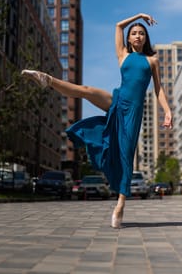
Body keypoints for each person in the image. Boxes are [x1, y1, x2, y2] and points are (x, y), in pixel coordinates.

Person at [21, 13, 172, 228]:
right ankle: (47, 79)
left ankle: (120, 203)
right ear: (129, 39)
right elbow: (118, 25)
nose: (137, 36)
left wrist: (167, 111)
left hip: (134, 113)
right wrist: (139, 16)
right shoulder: (123, 54)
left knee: (126, 155)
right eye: (134, 34)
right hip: (118, 101)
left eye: (141, 34)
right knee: (86, 90)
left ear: (146, 39)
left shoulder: (152, 60)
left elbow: (158, 89)